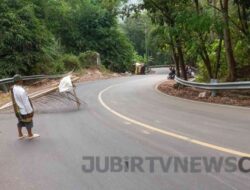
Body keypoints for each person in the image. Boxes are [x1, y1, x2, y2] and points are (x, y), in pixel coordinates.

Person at [10, 74, 40, 140]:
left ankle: (20, 134)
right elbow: (26, 103)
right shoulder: (22, 91)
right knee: (29, 122)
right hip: (25, 110)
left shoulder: (13, 88)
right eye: (21, 79)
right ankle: (30, 135)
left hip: (18, 109)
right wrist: (30, 111)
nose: (22, 80)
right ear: (19, 81)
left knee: (20, 121)